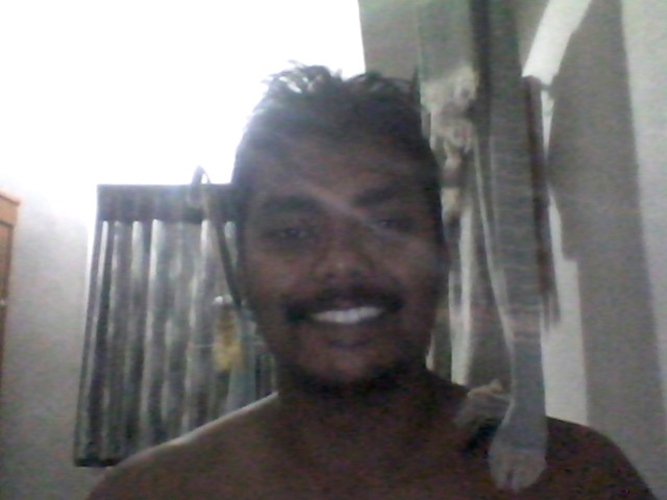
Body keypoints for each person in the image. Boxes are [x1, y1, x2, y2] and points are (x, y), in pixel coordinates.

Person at [87, 65, 656, 499]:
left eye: (385, 225)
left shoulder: (580, 480)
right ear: (239, 267)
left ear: (442, 250)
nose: (343, 264)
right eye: (293, 232)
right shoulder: (153, 491)